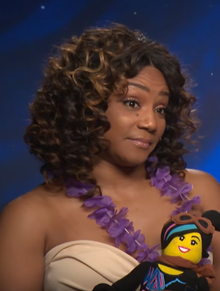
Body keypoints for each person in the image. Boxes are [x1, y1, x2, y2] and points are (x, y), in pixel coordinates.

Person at [0, 23, 220, 291]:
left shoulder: (201, 192)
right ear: (84, 106)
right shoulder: (29, 218)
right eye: (132, 103)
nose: (151, 123)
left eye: (161, 108)